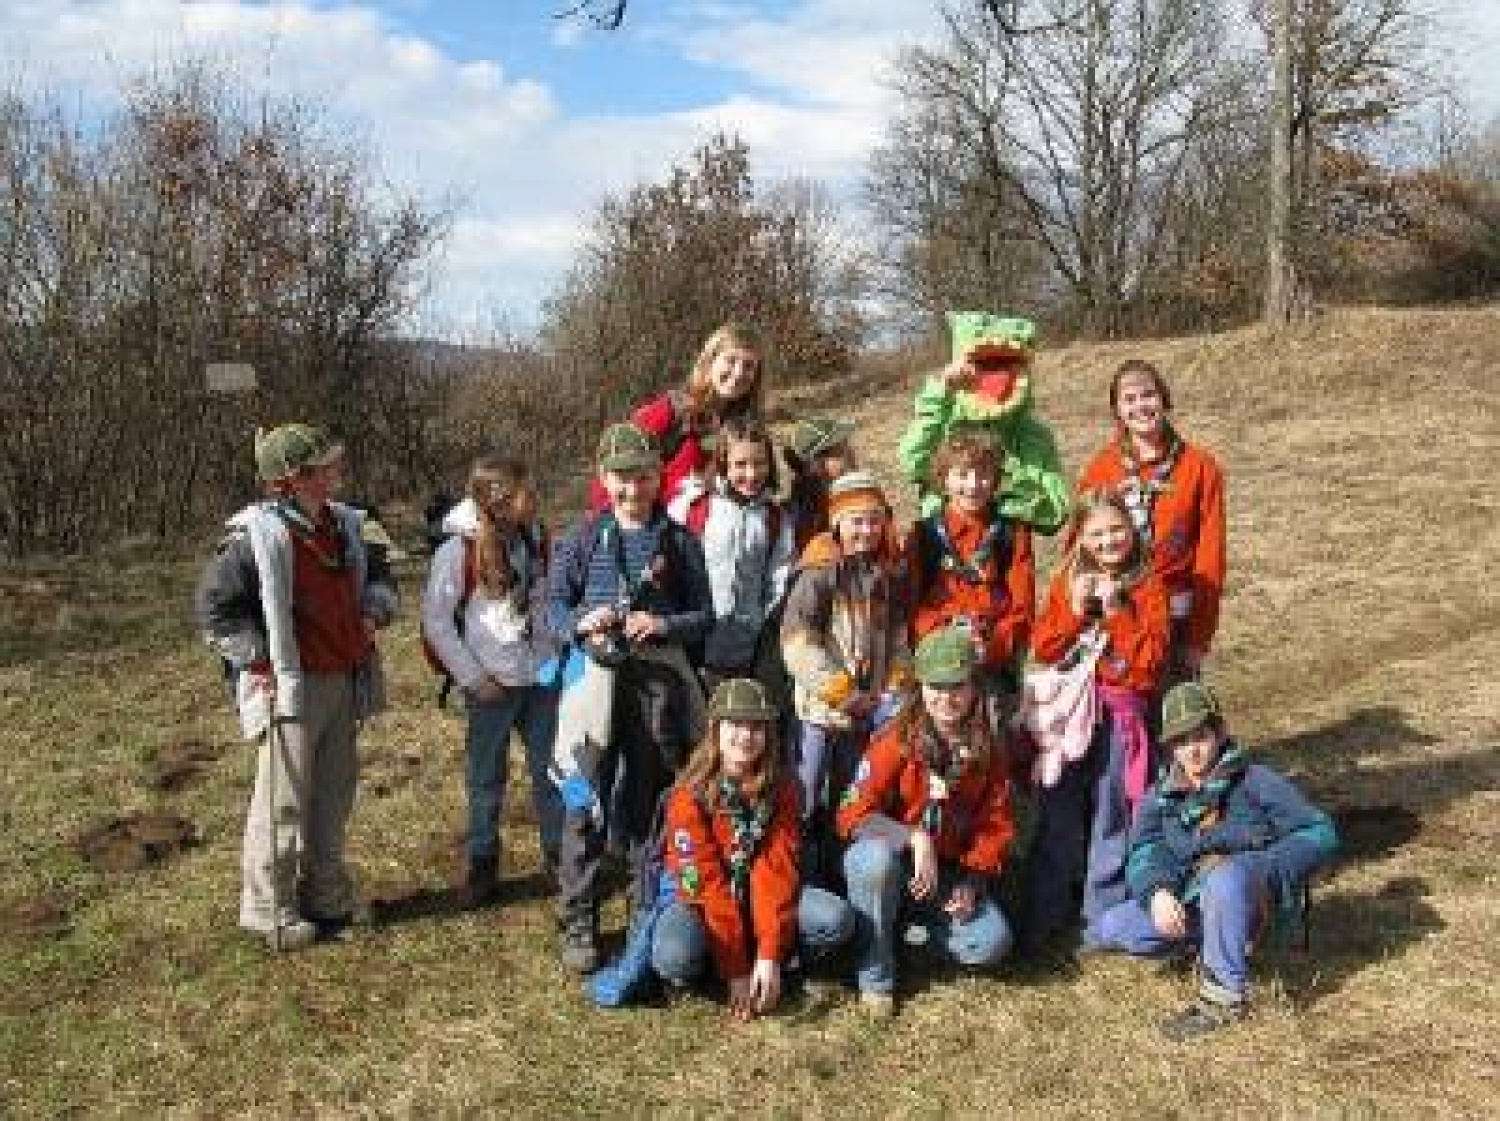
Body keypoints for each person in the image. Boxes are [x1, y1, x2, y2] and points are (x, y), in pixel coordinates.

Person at [196, 423, 398, 951]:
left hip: (342, 680)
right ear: (293, 480)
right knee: (281, 803)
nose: (336, 470)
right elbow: (215, 611)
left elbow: (381, 577)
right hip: (291, 689)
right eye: (324, 466)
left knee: (333, 797)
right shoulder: (254, 539)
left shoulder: (349, 524)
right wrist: (259, 658)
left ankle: (326, 897)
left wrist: (375, 610)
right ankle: (270, 911)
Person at [547, 422, 713, 973]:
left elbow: (703, 618)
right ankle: (579, 915)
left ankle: (647, 905)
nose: (632, 490)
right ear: (603, 478)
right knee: (585, 798)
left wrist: (660, 623)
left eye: (642, 478)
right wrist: (580, 621)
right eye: (621, 479)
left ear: (658, 478)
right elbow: (550, 609)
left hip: (656, 688)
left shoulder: (680, 541)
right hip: (591, 682)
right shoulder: (580, 539)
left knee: (650, 798)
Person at [1095, 683, 1338, 1040]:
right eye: (1180, 742)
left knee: (1225, 879)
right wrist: (1158, 893)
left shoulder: (1256, 781)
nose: (1192, 751)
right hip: (1197, 896)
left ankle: (1225, 996)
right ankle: (1210, 941)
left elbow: (1321, 832)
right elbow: (1145, 851)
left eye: (1200, 736)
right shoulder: (1158, 799)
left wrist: (1267, 866)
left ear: (1220, 731)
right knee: (1115, 926)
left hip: (1255, 893)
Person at [837, 625, 1017, 1016]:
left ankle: (910, 939)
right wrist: (912, 838)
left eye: (957, 686)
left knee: (992, 941)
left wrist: (972, 881)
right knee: (873, 864)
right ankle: (876, 975)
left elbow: (996, 825)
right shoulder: (896, 740)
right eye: (936, 687)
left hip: (945, 874)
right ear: (921, 689)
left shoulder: (988, 749)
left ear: (974, 689)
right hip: (892, 865)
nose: (946, 698)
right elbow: (851, 814)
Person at [652, 678, 854, 1019]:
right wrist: (735, 970)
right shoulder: (688, 795)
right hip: (703, 901)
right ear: (715, 730)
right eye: (735, 725)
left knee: (834, 919)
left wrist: (769, 956)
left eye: (756, 727)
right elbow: (706, 884)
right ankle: (716, 969)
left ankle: (775, 965)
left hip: (759, 896)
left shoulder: (783, 787)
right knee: (674, 955)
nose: (746, 737)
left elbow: (775, 870)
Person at [1023, 489, 1170, 952]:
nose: (1108, 541)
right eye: (1097, 533)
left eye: (1116, 530)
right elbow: (1044, 648)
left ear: (1133, 530)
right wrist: (1074, 609)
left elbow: (1148, 664)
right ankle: (1048, 909)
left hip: (1119, 713)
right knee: (1058, 810)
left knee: (1111, 814)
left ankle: (1100, 913)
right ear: (1081, 538)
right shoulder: (1070, 578)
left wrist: (1116, 612)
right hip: (1068, 716)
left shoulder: (1148, 584)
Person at [421, 455, 563, 905]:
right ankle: (482, 864)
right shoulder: (457, 552)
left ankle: (561, 860)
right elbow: (437, 620)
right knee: (485, 781)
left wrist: (559, 657)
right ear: (500, 502)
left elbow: (548, 602)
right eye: (526, 492)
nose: (535, 498)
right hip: (490, 687)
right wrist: (473, 678)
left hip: (540, 679)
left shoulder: (538, 539)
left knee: (555, 773)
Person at [780, 470, 914, 889]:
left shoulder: (885, 575)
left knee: (849, 796)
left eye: (874, 520)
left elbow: (897, 640)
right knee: (806, 795)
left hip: (866, 711)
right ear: (837, 522)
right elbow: (798, 644)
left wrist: (894, 685)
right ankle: (799, 882)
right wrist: (844, 693)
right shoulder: (819, 571)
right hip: (822, 710)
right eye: (856, 521)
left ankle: (844, 878)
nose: (866, 530)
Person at [1076, 360, 1226, 684]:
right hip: (1116, 613)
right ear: (1117, 410)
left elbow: (1210, 560)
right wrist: (1083, 616)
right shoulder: (1101, 470)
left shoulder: (1200, 468)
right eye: (1129, 399)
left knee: (1174, 721)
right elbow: (1079, 552)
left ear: (1164, 400)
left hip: (1176, 617)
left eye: (1148, 395)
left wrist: (1199, 637)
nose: (1140, 406)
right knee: (1121, 720)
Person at [898, 311, 1070, 535]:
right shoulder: (943, 420)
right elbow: (912, 464)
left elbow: (1054, 515)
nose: (996, 376)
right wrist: (940, 393)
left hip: (1008, 558)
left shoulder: (1033, 436)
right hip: (943, 554)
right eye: (983, 364)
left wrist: (1005, 481)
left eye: (1005, 364)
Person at [669, 417, 793, 693]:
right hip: (694, 648)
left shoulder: (774, 518)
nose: (751, 474)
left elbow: (778, 577)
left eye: (759, 463)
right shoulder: (693, 507)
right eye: (740, 465)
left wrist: (761, 623)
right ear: (723, 463)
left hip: (747, 651)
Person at [908, 430, 1035, 696]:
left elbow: (1022, 605)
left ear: (996, 479)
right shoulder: (924, 535)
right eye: (962, 475)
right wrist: (941, 637)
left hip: (994, 659)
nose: (974, 484)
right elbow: (911, 603)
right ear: (944, 480)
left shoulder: (1012, 533)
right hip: (940, 658)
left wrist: (994, 644)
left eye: (984, 474)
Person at [591, 322, 766, 511]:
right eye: (730, 361)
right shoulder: (672, 410)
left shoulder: (745, 428)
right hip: (655, 530)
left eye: (748, 366)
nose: (738, 372)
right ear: (710, 361)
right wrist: (610, 526)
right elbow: (613, 471)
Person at [782, 416, 857, 553]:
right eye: (840, 452)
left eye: (848, 448)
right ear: (814, 465)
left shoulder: (854, 495)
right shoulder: (803, 517)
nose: (851, 455)